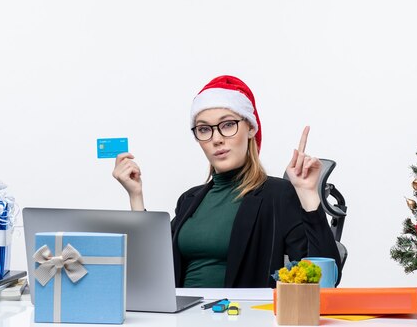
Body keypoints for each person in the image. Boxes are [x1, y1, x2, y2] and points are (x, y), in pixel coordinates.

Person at [113, 75, 342, 288]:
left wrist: (309, 196)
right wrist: (136, 196)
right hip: (181, 316)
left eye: (228, 125)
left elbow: (324, 281)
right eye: (204, 129)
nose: (217, 139)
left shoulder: (278, 194)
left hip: (241, 316)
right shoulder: (189, 199)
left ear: (251, 128)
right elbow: (156, 271)